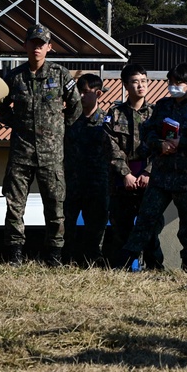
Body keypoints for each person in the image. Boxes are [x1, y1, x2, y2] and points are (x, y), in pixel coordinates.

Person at [0, 23, 82, 266]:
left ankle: (54, 255)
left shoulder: (60, 74)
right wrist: (16, 123)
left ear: (49, 48)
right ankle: (15, 254)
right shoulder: (14, 77)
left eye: (41, 44)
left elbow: (75, 106)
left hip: (51, 155)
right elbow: (1, 105)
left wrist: (58, 128)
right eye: (33, 43)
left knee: (55, 208)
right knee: (15, 206)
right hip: (21, 152)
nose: (37, 47)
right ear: (26, 46)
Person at [121, 63, 187, 271]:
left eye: (178, 82)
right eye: (170, 82)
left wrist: (183, 143)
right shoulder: (162, 106)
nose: (173, 86)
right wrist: (159, 144)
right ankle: (126, 263)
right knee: (145, 221)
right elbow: (148, 132)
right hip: (161, 176)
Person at [104, 63, 162, 269]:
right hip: (122, 182)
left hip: (150, 180)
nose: (140, 86)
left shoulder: (157, 113)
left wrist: (149, 171)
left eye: (144, 81)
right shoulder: (114, 113)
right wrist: (125, 174)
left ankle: (155, 269)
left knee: (151, 229)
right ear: (125, 85)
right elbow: (110, 146)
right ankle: (123, 269)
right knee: (122, 229)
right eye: (135, 82)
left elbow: (162, 147)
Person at [63, 73, 117, 266]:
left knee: (95, 229)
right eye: (79, 92)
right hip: (72, 183)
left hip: (98, 185)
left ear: (98, 93)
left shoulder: (108, 121)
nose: (82, 96)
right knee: (66, 227)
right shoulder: (68, 120)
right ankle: (65, 261)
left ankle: (92, 262)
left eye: (86, 92)